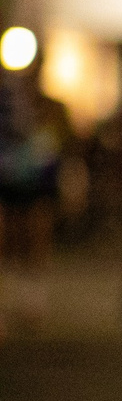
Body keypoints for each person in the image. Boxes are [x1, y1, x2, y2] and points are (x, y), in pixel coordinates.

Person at [0, 39, 70, 336]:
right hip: (7, 177)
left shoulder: (52, 104)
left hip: (40, 179)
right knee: (6, 236)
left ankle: (32, 301)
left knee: (37, 234)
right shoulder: (5, 101)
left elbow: (63, 143)